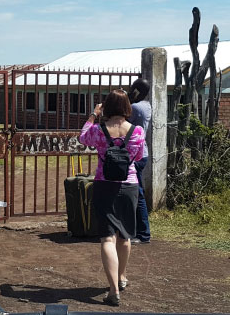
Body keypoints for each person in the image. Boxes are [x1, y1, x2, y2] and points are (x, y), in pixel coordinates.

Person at [79, 89, 145, 307]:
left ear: (106, 107)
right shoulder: (137, 131)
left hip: (104, 184)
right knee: (124, 237)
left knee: (107, 238)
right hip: (129, 185)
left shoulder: (98, 129)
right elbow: (136, 157)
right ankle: (121, 277)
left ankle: (113, 290)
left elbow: (83, 138)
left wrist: (93, 115)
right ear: (127, 107)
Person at [127, 78, 152, 243]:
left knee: (138, 194)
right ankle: (136, 230)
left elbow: (122, 122)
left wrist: (128, 98)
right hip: (143, 153)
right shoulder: (147, 105)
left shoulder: (135, 107)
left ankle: (143, 234)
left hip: (135, 155)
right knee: (135, 193)